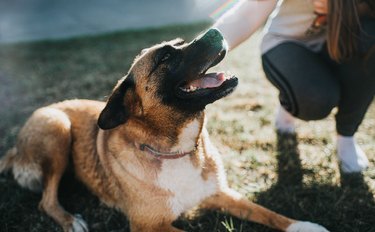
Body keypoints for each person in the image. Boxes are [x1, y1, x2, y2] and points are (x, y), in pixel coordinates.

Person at [213, 0, 375, 173]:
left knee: (370, 34)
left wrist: (348, 7)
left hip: (333, 47)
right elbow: (250, 11)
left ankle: (346, 136)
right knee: (316, 100)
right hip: (286, 42)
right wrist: (207, 50)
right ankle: (288, 101)